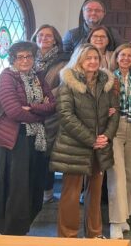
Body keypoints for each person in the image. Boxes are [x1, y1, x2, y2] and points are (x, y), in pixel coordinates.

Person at [51, 43, 119, 238]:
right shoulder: (68, 83)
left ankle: (94, 234)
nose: (93, 61)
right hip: (74, 146)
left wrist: (106, 136)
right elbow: (66, 116)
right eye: (88, 58)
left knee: (95, 192)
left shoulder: (106, 82)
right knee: (71, 195)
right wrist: (92, 139)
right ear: (79, 59)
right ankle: (68, 236)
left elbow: (114, 112)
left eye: (96, 58)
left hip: (100, 146)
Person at [0, 41, 56, 235]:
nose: (25, 60)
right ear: (13, 59)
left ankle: (23, 229)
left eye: (28, 56)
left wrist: (33, 108)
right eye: (20, 57)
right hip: (14, 140)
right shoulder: (7, 77)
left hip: (36, 139)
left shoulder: (38, 78)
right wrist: (40, 113)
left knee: (34, 186)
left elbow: (52, 105)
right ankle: (11, 232)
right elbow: (13, 111)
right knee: (16, 188)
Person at [107, 43, 131, 239]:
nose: (126, 59)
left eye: (130, 56)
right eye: (123, 55)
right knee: (117, 174)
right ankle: (115, 220)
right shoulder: (108, 77)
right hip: (116, 128)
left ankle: (126, 216)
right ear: (117, 57)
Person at [30, 25, 69, 204]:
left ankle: (47, 191)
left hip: (51, 114)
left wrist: (45, 100)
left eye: (48, 36)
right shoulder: (27, 58)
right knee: (31, 154)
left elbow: (64, 85)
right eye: (41, 35)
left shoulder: (63, 60)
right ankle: (31, 190)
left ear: (55, 40)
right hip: (28, 114)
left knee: (47, 155)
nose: (44, 38)